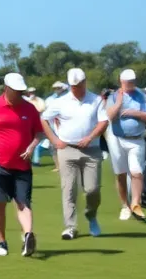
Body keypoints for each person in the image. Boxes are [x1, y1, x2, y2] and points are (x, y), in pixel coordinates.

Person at [0, 73, 43, 257]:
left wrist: (31, 147)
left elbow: (38, 133)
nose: (20, 94)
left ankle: (28, 235)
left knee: (23, 203)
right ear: (7, 88)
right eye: (16, 91)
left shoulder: (29, 109)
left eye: (22, 91)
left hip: (22, 166)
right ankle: (1, 242)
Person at [41, 68, 108, 240]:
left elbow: (103, 122)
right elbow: (44, 119)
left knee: (92, 189)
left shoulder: (96, 100)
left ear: (85, 82)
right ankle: (70, 227)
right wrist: (55, 141)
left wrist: (90, 137)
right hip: (67, 149)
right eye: (73, 86)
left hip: (91, 149)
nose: (76, 89)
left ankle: (91, 215)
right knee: (69, 189)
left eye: (78, 85)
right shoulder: (60, 102)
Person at [106, 69, 146, 222]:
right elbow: (109, 116)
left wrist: (136, 113)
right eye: (128, 82)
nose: (131, 85)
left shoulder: (142, 96)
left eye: (133, 82)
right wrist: (119, 103)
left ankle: (135, 205)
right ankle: (125, 205)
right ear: (121, 81)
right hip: (117, 139)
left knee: (137, 172)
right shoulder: (113, 96)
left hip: (137, 139)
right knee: (120, 173)